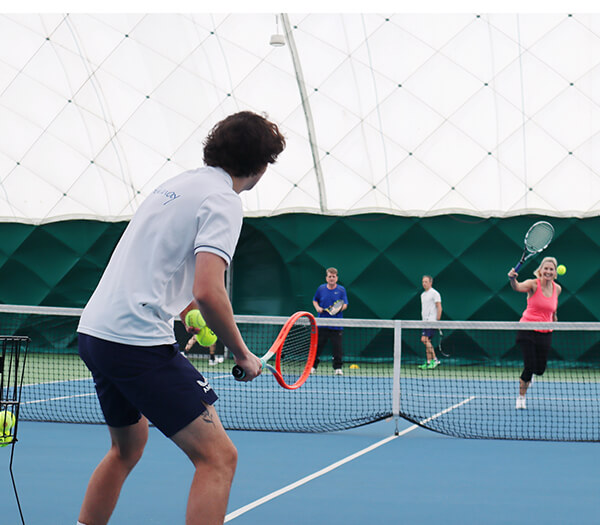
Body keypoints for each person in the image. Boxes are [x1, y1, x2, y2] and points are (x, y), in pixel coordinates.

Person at [76, 111, 286, 525]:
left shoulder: (174, 186)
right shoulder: (225, 200)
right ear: (261, 167)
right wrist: (242, 354)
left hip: (95, 333)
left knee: (127, 447)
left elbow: (161, 265)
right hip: (134, 340)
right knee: (218, 458)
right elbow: (209, 289)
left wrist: (186, 311)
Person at [508, 256, 562, 410]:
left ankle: (529, 377)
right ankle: (521, 397)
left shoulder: (557, 289)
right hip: (527, 329)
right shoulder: (533, 284)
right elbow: (517, 287)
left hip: (546, 331)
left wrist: (555, 321)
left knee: (540, 369)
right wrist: (512, 279)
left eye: (551, 269)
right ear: (541, 270)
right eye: (546, 268)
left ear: (555, 272)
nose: (548, 271)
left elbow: (553, 309)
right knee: (529, 365)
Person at [312, 267, 348, 375]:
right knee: (317, 347)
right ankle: (312, 366)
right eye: (329, 276)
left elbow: (345, 304)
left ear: (336, 278)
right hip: (322, 324)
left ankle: (338, 368)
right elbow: (315, 300)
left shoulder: (341, 290)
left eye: (333, 276)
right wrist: (317, 307)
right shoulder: (321, 289)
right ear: (326, 278)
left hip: (336, 325)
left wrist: (336, 309)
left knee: (337, 348)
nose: (331, 278)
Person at [418, 275, 442, 370]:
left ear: (430, 283)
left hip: (432, 321)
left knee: (424, 339)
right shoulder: (422, 295)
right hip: (425, 321)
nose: (424, 283)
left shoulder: (435, 293)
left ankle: (435, 360)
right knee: (426, 341)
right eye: (423, 282)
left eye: (426, 282)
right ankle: (428, 362)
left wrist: (438, 321)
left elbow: (439, 307)